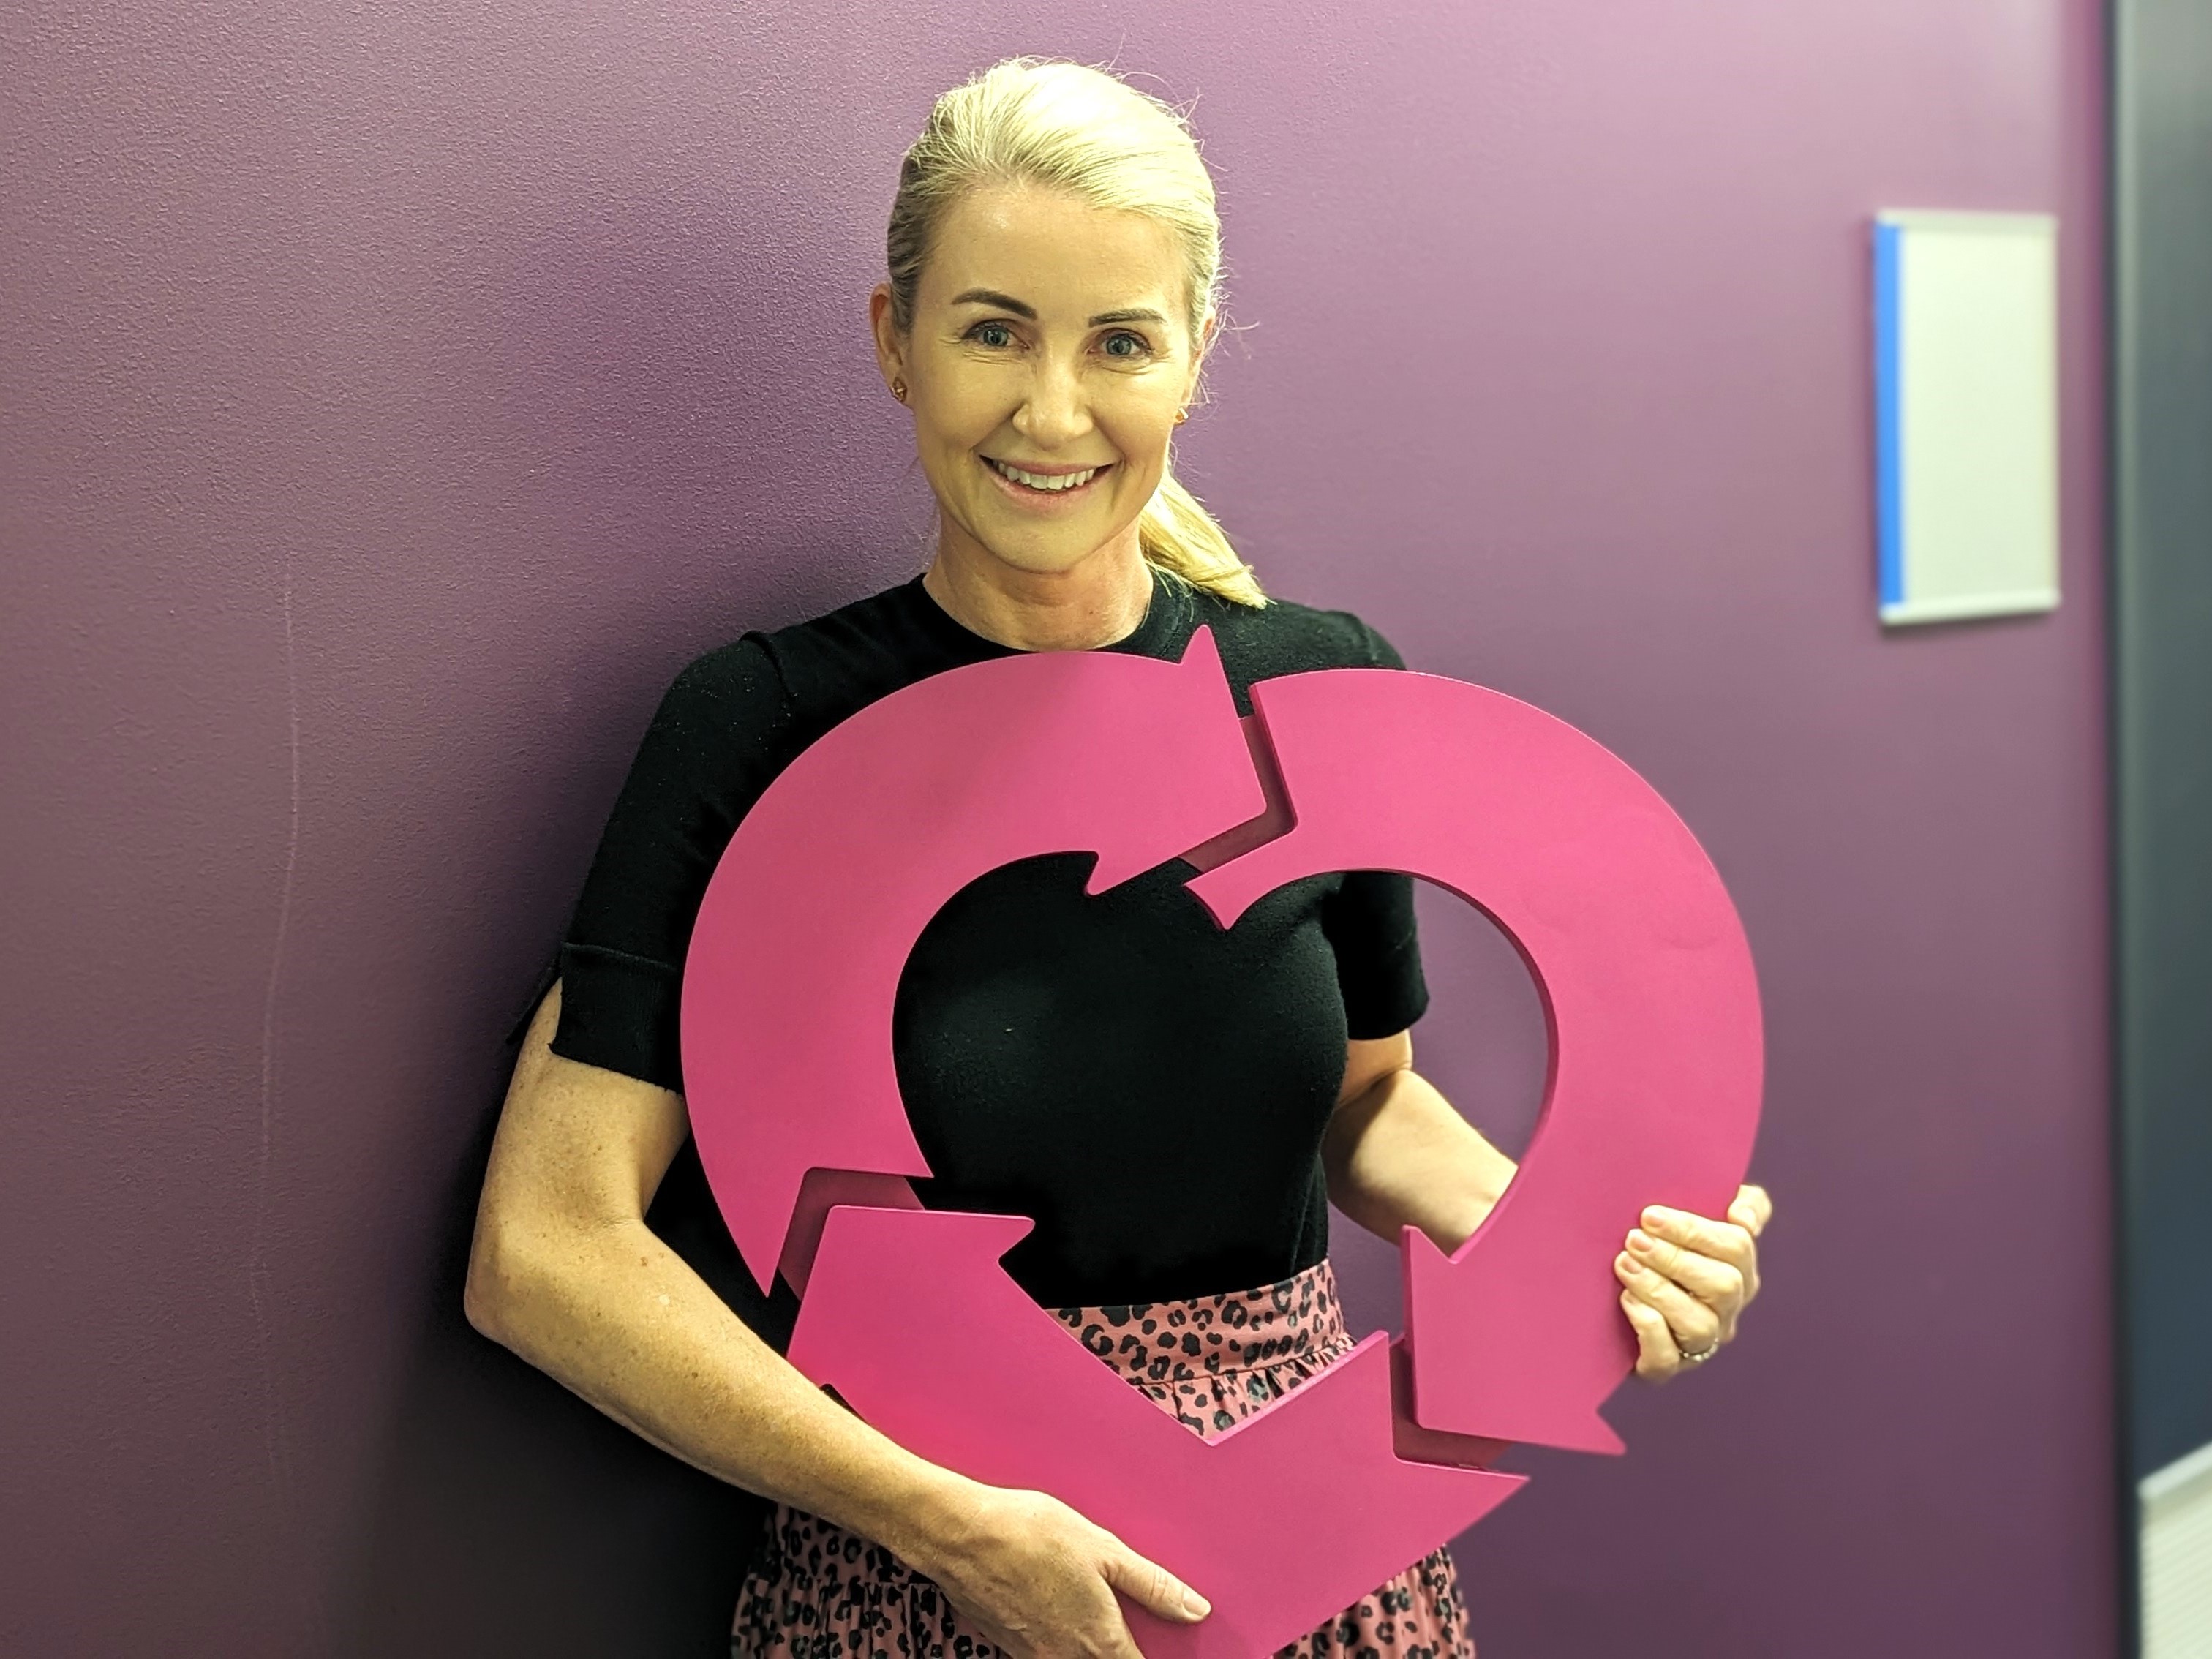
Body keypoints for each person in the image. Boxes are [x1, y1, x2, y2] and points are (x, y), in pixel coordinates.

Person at [465, 56, 1774, 1659]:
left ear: (1192, 360)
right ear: (896, 342)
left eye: (1120, 343)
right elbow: (546, 1250)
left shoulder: (1320, 690)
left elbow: (1366, 1102)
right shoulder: (763, 725)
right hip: (918, 1565)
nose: (1053, 411)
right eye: (993, 329)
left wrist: (1581, 1256)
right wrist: (937, 1519)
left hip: (1319, 1557)